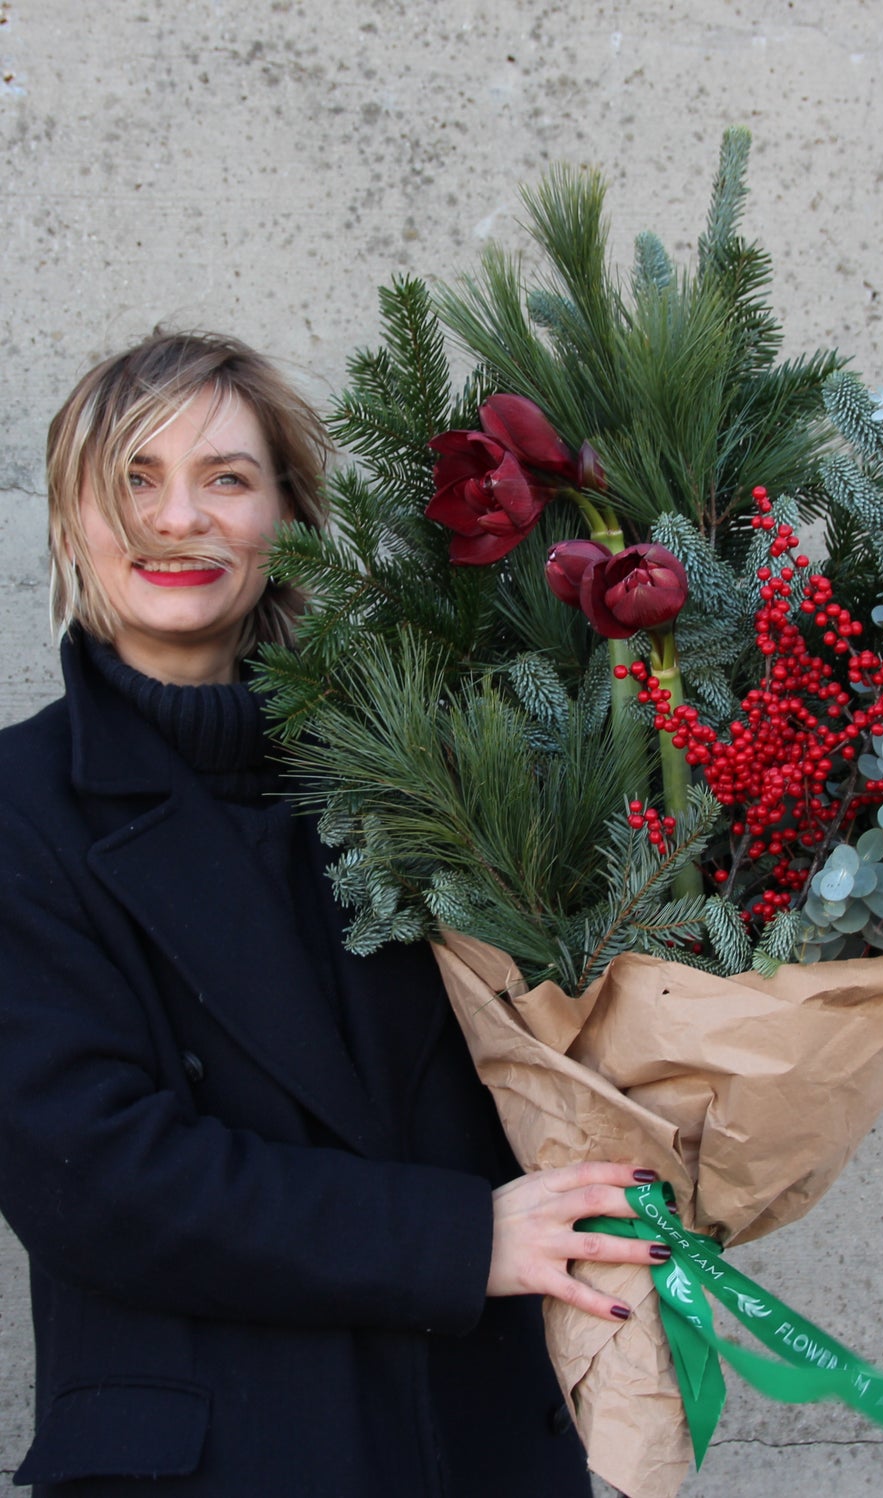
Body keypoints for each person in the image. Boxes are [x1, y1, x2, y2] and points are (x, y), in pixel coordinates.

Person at [0, 332, 667, 1495]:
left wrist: (848, 955)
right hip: (220, 1459)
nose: (176, 519)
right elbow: (92, 1178)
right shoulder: (17, 812)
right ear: (70, 523)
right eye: (132, 481)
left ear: (289, 516)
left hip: (477, 1444)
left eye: (227, 477)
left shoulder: (421, 765)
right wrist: (458, 1242)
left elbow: (625, 971)